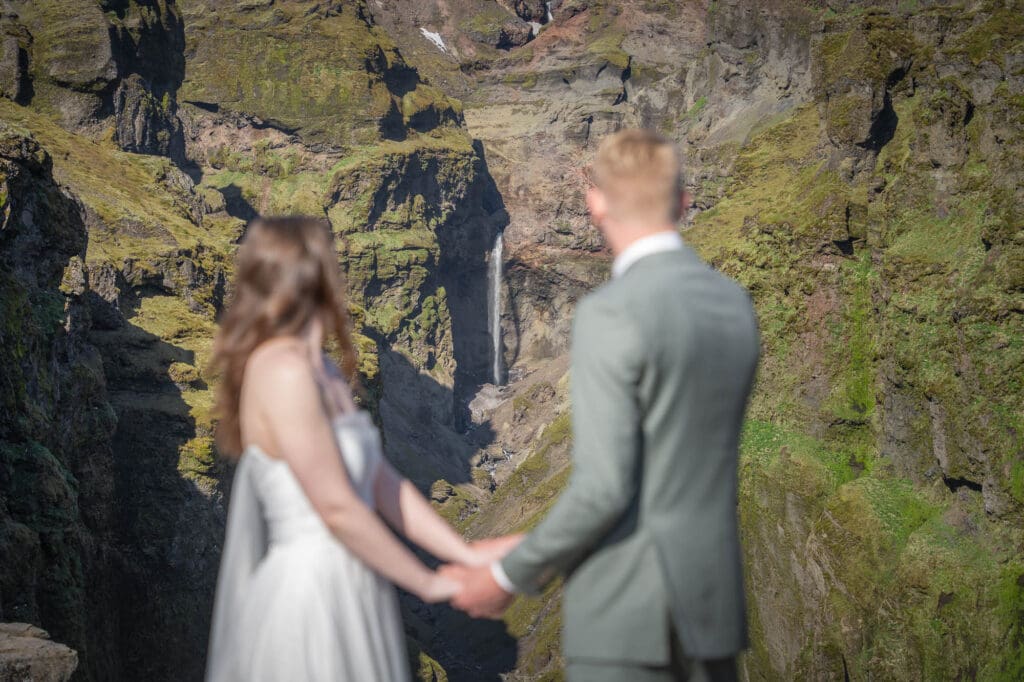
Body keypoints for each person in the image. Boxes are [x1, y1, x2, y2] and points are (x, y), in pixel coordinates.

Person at [443, 129, 761, 682]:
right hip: (710, 615)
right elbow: (670, 469)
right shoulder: (734, 304)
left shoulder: (611, 313)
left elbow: (605, 488)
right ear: (684, 202)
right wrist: (535, 539)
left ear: (595, 203)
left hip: (626, 617)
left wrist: (509, 574)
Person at [203, 216, 513, 681]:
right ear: (309, 275)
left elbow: (383, 482)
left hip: (354, 583)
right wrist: (430, 584)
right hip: (308, 595)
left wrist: (464, 556)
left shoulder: (326, 372)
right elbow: (336, 507)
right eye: (330, 261)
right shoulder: (281, 370)